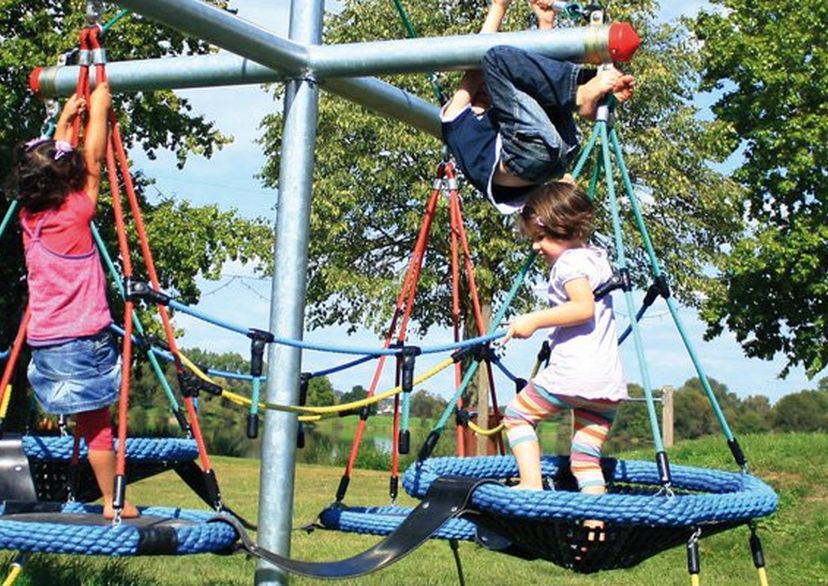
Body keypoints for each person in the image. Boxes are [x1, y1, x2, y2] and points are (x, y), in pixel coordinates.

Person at [13, 82, 138, 519]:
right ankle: (110, 501)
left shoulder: (30, 218)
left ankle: (105, 498)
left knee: (85, 421)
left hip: (45, 340)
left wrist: (68, 117)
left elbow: (63, 159)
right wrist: (100, 109)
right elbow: (94, 160)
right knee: (97, 427)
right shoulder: (77, 210)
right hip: (82, 338)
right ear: (65, 180)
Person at [501, 181, 626, 535]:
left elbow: (582, 308)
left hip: (573, 375)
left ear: (561, 228)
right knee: (585, 459)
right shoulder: (594, 257)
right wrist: (566, 189)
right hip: (606, 384)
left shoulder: (569, 264)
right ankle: (594, 527)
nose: (537, 247)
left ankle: (530, 484)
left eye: (540, 239)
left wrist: (533, 320)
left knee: (518, 416)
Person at [441, 0, 635, 213]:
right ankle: (580, 94)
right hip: (530, 156)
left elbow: (542, 85)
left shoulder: (502, 123)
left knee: (538, 91)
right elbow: (478, 59)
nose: (490, 88)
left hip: (555, 154)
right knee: (496, 59)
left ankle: (597, 91)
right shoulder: (455, 120)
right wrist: (499, 8)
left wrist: (546, 26)